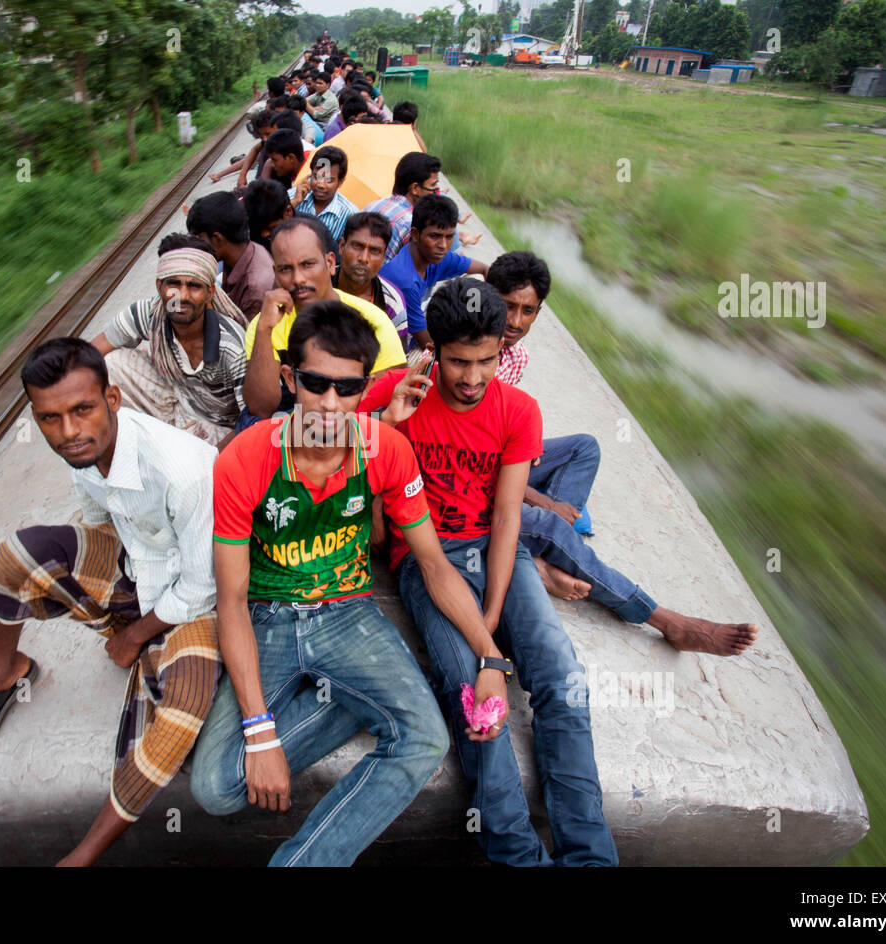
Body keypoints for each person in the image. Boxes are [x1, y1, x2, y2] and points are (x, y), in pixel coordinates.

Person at [190, 301, 508, 866]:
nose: (330, 405)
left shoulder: (385, 448)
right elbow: (232, 599)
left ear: (366, 388)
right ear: (290, 379)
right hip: (266, 613)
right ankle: (354, 698)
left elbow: (434, 564)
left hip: (346, 611)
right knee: (215, 789)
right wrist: (261, 735)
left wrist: (490, 659)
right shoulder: (245, 460)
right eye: (315, 384)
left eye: (348, 388)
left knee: (425, 739)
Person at [359, 278, 617, 867]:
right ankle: (515, 853)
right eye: (457, 362)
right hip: (424, 558)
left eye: (486, 361)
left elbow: (506, 519)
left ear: (503, 350)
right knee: (473, 698)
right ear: (434, 350)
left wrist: (494, 622)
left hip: (497, 550)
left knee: (562, 678)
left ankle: (590, 855)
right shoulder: (397, 395)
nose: (472, 378)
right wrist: (389, 427)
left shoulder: (518, 410)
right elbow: (320, 435)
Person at [0, 337, 222, 866]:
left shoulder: (185, 469)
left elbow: (201, 587)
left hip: (190, 602)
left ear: (113, 399)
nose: (69, 432)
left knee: (184, 708)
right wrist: (86, 583)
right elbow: (98, 525)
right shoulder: (82, 452)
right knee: (18, 556)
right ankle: (3, 674)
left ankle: (83, 856)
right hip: (136, 573)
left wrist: (134, 636)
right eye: (50, 419)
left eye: (82, 410)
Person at [484, 253, 760, 656]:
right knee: (551, 522)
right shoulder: (469, 352)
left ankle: (548, 549)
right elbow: (475, 460)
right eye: (508, 306)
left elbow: (506, 432)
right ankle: (663, 619)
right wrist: (540, 499)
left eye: (529, 311)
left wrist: (525, 445)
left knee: (584, 448)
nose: (517, 321)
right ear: (488, 297)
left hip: (508, 461)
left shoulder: (517, 356)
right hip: (479, 482)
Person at [84, 235, 247, 446]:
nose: (182, 295)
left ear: (209, 293)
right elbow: (90, 353)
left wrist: (213, 458)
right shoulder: (149, 314)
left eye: (194, 286)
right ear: (159, 286)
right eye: (173, 284)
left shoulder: (232, 346)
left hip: (219, 427)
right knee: (107, 365)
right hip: (178, 400)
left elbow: (251, 420)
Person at [241, 217, 406, 424]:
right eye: (286, 269)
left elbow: (384, 406)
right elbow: (260, 408)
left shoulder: (374, 322)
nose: (298, 278)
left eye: (307, 265)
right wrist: (264, 330)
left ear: (329, 263)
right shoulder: (266, 323)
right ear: (275, 273)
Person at [379, 194, 489, 349]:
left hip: (414, 331)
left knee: (475, 281)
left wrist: (481, 311)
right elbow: (428, 343)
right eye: (435, 236)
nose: (443, 245)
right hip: (392, 349)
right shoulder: (405, 281)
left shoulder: (433, 256)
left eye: (449, 237)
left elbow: (483, 269)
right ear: (415, 234)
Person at [187, 191, 275, 323]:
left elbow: (245, 337)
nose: (196, 247)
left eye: (199, 239)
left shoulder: (253, 289)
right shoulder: (243, 253)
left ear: (217, 239)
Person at [333, 211, 408, 341]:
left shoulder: (392, 303)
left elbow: (397, 359)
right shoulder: (317, 284)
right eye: (357, 246)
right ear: (341, 246)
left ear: (384, 257)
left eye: (374, 251)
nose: (363, 258)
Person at [363, 151, 442, 262]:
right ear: (415, 188)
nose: (437, 191)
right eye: (433, 185)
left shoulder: (372, 205)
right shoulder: (411, 223)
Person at [292, 145, 358, 243]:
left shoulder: (349, 214)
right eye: (316, 177)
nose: (321, 185)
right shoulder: (291, 197)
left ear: (340, 182)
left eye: (329, 180)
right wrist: (294, 203)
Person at [243, 179, 294, 253]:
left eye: (271, 228)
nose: (264, 234)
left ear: (288, 212)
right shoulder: (253, 220)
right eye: (260, 229)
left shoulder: (310, 236)